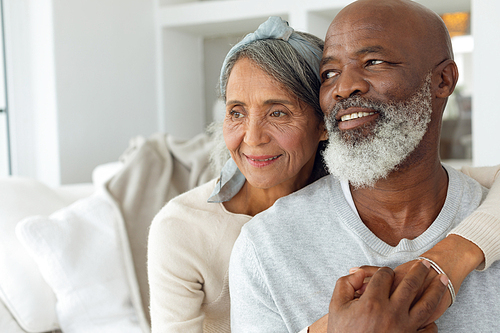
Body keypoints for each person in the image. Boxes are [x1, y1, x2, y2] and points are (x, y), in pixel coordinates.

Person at [148, 16, 500, 333]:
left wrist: (451, 257)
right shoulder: (239, 239)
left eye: (279, 113)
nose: (252, 138)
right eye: (235, 111)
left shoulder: (479, 207)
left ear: (323, 125)